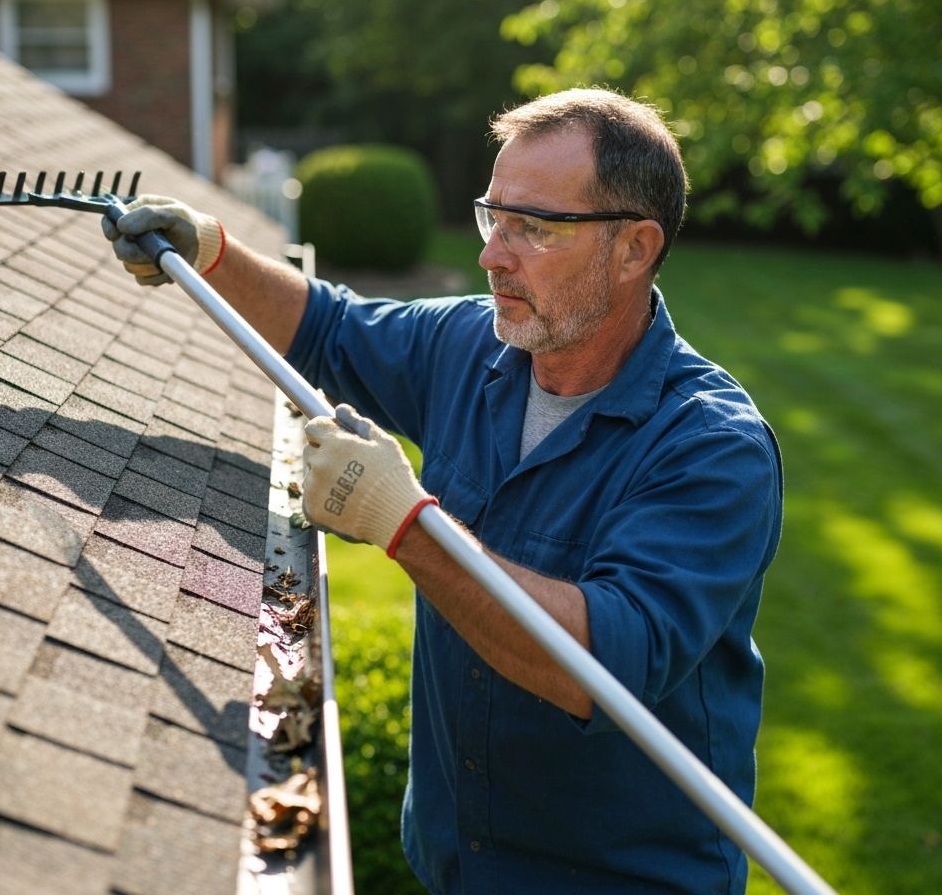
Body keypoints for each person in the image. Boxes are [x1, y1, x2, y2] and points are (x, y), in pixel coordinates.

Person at [103, 88, 783, 894]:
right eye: (493, 217)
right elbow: (328, 330)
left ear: (634, 249)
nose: (496, 254)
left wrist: (405, 524)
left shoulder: (711, 450)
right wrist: (212, 252)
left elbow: (600, 669)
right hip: (458, 867)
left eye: (534, 227)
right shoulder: (471, 345)